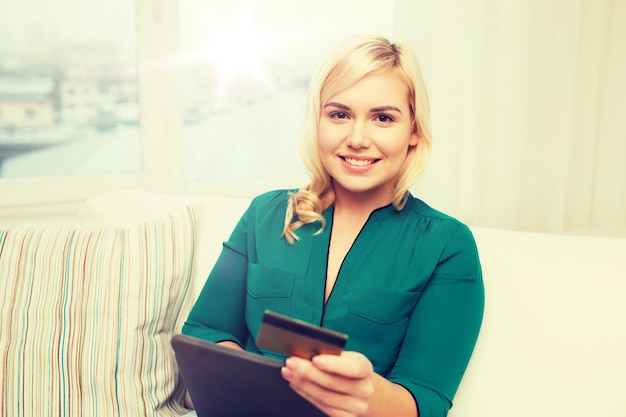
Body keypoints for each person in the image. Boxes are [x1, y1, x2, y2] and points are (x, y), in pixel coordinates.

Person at [182, 34, 484, 417]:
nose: (357, 139)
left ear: (414, 131)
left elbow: (427, 398)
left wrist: (368, 394)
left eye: (383, 118)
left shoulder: (446, 245)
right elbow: (204, 330)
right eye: (339, 114)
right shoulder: (264, 214)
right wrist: (245, 383)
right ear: (318, 121)